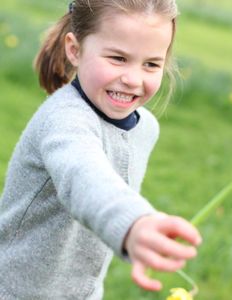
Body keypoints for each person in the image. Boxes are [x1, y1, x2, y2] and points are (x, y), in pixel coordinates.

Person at [0, 0, 202, 299]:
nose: (133, 79)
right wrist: (133, 224)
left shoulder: (145, 127)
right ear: (75, 49)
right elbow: (85, 177)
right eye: (118, 58)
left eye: (151, 64)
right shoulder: (63, 120)